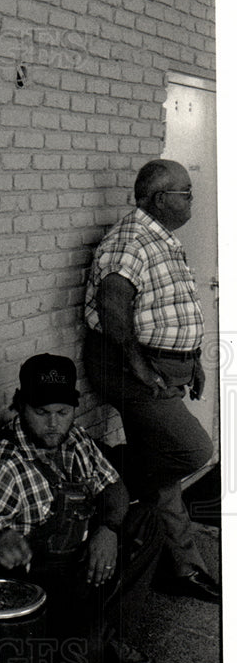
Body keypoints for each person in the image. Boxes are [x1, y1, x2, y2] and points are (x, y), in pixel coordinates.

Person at [0, 354, 161, 663]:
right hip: (44, 584)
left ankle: (110, 631)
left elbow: (114, 488)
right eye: (41, 413)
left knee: (147, 520)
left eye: (62, 413)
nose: (53, 424)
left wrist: (107, 530)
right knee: (81, 659)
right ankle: (94, 637)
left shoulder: (77, 439)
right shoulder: (2, 462)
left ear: (73, 409)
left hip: (84, 562)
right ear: (22, 406)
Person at [83, 159, 219, 603]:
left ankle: (181, 566)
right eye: (186, 192)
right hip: (132, 370)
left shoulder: (159, 238)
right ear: (161, 198)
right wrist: (139, 366)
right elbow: (113, 305)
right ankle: (111, 481)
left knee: (165, 480)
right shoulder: (131, 239)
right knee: (194, 450)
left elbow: (166, 308)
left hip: (162, 368)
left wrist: (192, 359)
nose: (191, 200)